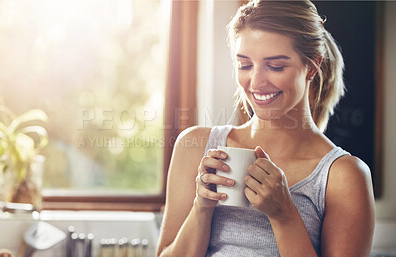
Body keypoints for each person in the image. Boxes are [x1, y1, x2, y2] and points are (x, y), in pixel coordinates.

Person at [157, 0, 375, 256]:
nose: (256, 82)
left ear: (312, 67)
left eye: (276, 66)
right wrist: (202, 207)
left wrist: (283, 215)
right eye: (245, 65)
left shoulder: (343, 176)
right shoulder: (195, 147)